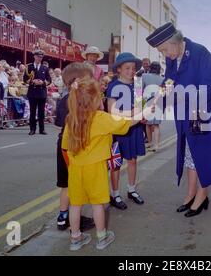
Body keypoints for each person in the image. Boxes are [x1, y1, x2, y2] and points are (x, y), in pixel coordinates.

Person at [146, 22, 211, 217]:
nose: (164, 55)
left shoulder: (200, 52)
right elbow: (169, 81)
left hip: (208, 109)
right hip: (188, 111)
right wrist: (157, 99)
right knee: (189, 151)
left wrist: (179, 96)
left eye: (164, 50)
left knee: (202, 152)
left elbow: (208, 85)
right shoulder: (173, 58)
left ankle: (202, 196)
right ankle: (190, 194)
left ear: (175, 41)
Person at [61, 76, 154, 251]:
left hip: (75, 169)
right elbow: (128, 122)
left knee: (75, 204)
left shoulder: (71, 119)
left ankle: (75, 238)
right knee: (98, 204)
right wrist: (145, 112)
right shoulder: (101, 118)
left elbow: (65, 147)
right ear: (95, 100)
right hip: (95, 168)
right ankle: (102, 237)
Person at [54, 63, 95, 232]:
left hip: (63, 145)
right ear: (78, 80)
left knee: (66, 185)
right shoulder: (82, 100)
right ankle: (74, 219)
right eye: (89, 78)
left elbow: (58, 124)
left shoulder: (64, 99)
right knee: (76, 184)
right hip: (76, 146)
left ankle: (63, 217)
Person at [106, 53, 145, 210]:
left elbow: (141, 106)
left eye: (133, 68)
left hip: (134, 128)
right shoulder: (113, 86)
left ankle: (131, 189)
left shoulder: (138, 85)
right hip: (118, 130)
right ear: (119, 69)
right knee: (116, 163)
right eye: (127, 68)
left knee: (133, 160)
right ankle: (115, 194)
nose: (131, 71)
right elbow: (111, 110)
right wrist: (132, 113)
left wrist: (144, 114)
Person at [23, 49, 51, 135]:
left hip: (42, 92)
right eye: (38, 56)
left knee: (41, 112)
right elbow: (25, 79)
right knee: (32, 112)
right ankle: (32, 129)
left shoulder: (45, 68)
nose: (40, 58)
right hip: (32, 92)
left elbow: (49, 79)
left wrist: (43, 82)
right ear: (34, 56)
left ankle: (42, 129)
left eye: (41, 57)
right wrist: (32, 82)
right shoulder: (29, 67)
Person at [142, 62, 164, 152]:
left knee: (147, 124)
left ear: (150, 68)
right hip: (158, 102)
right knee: (156, 125)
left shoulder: (144, 76)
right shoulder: (163, 78)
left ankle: (150, 143)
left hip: (147, 102)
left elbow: (140, 89)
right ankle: (156, 145)